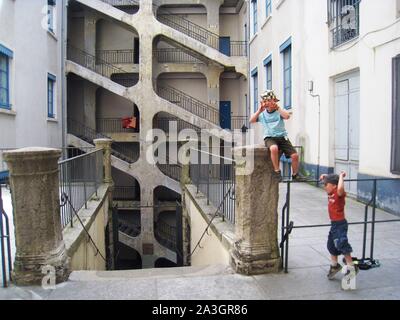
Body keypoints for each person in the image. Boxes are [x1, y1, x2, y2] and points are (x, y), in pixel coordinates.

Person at [249, 90, 302, 181]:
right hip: (269, 137)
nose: (267, 103)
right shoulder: (262, 115)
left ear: (274, 101)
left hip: (282, 137)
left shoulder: (278, 112)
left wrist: (278, 108)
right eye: (265, 101)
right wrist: (259, 110)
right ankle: (277, 171)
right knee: (274, 148)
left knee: (295, 156)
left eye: (269, 101)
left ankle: (295, 174)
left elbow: (287, 116)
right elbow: (251, 120)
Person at [320, 172, 359, 280]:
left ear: (334, 186)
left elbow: (340, 188)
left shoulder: (339, 194)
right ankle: (334, 266)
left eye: (326, 185)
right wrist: (325, 177)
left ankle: (352, 267)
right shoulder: (330, 193)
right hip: (334, 224)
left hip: (340, 224)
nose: (324, 187)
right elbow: (331, 181)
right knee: (331, 246)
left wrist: (341, 177)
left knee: (341, 244)